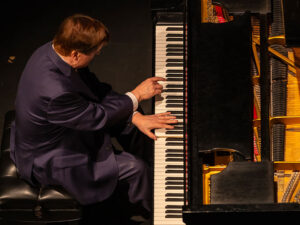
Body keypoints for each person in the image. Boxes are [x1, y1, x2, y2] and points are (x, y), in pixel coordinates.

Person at [9, 14, 177, 224]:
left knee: (133, 124)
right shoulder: (55, 91)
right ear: (75, 54)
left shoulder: (52, 50)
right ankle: (159, 211)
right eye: (96, 52)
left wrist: (134, 116)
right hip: (51, 157)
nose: (98, 53)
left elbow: (95, 90)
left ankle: (163, 166)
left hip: (68, 123)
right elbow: (97, 116)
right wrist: (136, 95)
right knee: (136, 168)